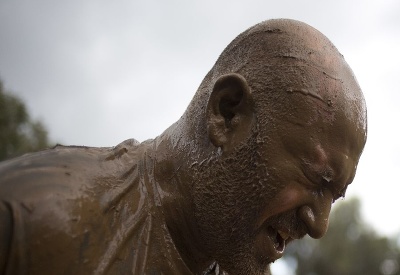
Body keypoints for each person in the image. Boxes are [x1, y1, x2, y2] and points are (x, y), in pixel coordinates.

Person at [0, 19, 367, 275]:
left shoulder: (235, 258)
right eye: (316, 178)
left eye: (333, 197)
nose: (319, 226)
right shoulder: (36, 224)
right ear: (226, 115)